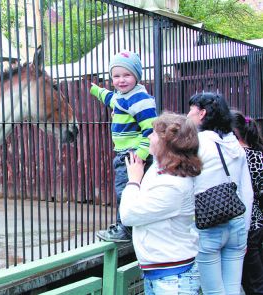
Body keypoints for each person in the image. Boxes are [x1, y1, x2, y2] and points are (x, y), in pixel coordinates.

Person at [119, 112, 202, 294]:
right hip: (159, 270)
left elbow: (128, 214)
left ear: (167, 143)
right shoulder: (161, 168)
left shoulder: (172, 184)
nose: (148, 136)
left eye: (154, 134)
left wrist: (133, 180)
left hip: (173, 278)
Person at [187, 92, 253, 294]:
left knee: (213, 291)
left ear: (202, 113)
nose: (187, 114)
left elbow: (188, 186)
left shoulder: (197, 144)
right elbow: (246, 191)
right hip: (237, 223)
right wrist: (246, 228)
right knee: (232, 289)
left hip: (208, 224)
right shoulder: (235, 144)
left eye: (191, 110)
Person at [90, 50, 157, 242]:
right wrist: (94, 89)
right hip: (125, 154)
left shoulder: (139, 99)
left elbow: (151, 131)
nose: (121, 80)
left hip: (133, 155)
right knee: (130, 190)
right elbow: (110, 98)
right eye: (116, 76)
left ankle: (125, 230)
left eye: (127, 75)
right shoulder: (123, 96)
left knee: (125, 191)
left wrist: (141, 155)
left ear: (137, 75)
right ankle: (132, 225)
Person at [232, 110, 263, 294]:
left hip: (247, 224)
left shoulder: (240, 157)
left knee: (252, 281)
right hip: (256, 223)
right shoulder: (257, 154)